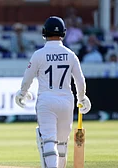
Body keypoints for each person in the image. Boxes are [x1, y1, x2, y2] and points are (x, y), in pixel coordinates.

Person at [14, 16, 91, 168]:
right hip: (66, 101)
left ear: (44, 32)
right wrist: (81, 98)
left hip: (46, 101)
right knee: (62, 142)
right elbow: (80, 80)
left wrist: (22, 93)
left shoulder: (39, 54)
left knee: (49, 140)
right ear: (63, 32)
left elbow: (27, 78)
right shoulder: (70, 54)